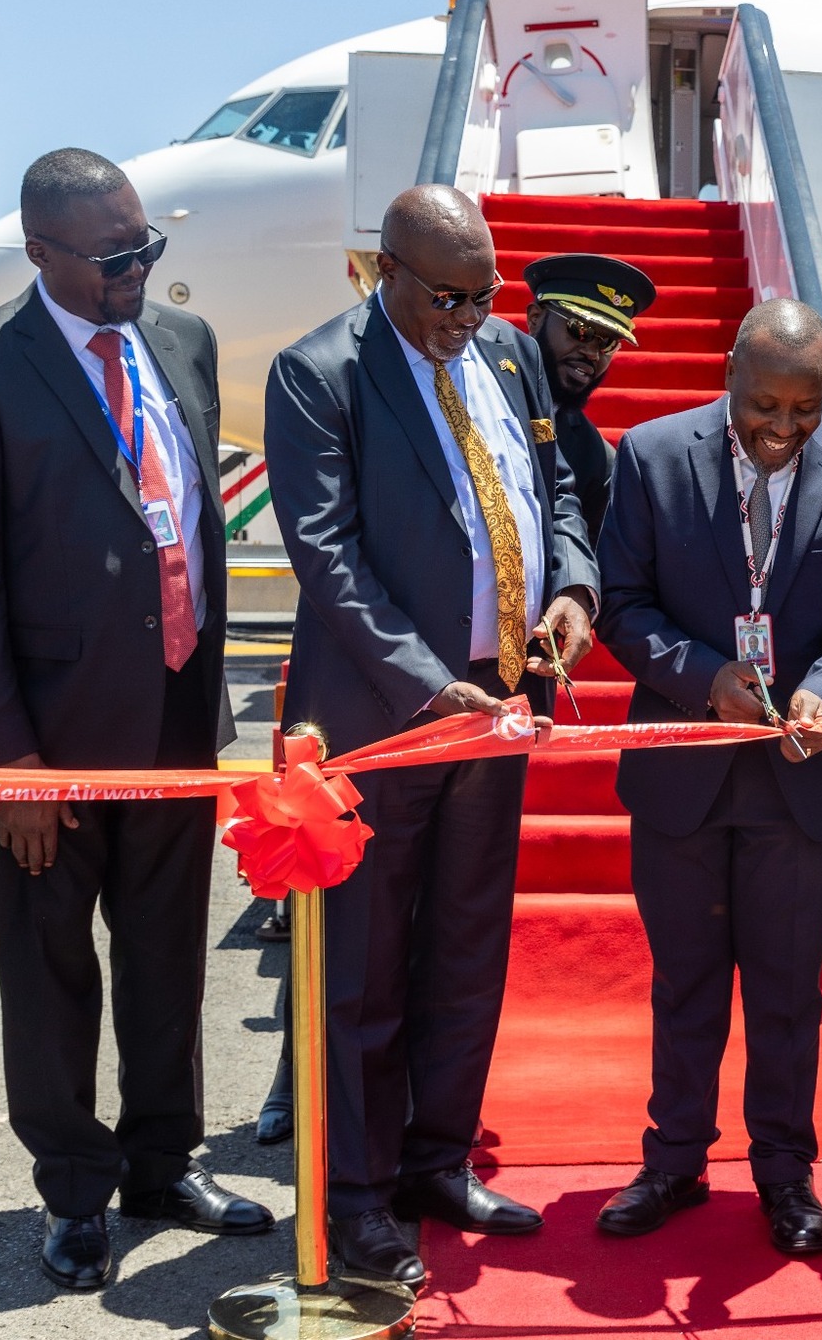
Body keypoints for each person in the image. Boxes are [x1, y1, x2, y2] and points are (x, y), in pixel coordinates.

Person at [0, 150, 270, 1293]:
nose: (137, 271)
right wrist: (11, 765)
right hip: (50, 742)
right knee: (52, 971)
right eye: (115, 257)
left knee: (167, 959)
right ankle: (74, 1188)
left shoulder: (183, 343)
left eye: (145, 248)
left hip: (173, 720)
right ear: (42, 252)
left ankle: (161, 1165)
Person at [266, 184, 598, 1287]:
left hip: (497, 702)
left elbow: (553, 484)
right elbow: (326, 556)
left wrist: (573, 589)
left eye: (486, 290)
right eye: (449, 296)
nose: (471, 314)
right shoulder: (318, 374)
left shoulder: (504, 353)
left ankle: (435, 1160)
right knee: (362, 963)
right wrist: (421, 682)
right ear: (382, 272)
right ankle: (354, 1196)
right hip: (382, 718)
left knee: (466, 944)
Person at [591, 298, 822, 1255]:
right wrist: (701, 676)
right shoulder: (650, 457)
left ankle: (783, 1171)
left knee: (784, 991)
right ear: (730, 375)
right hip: (683, 772)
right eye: (765, 405)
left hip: (801, 783)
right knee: (685, 983)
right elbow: (622, 603)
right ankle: (674, 1160)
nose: (781, 429)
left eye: (803, 411)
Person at [525, 252, 656, 544]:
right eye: (580, 331)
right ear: (535, 319)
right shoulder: (479, 388)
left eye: (607, 341)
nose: (592, 354)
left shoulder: (597, 460)